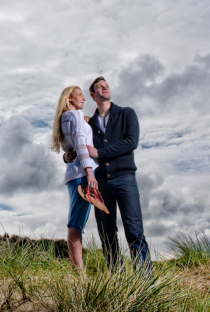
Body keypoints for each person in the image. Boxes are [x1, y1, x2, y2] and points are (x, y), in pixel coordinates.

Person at [65, 76, 152, 270]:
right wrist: (66, 156)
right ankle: (116, 278)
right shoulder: (88, 123)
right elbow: (76, 144)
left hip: (125, 178)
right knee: (107, 233)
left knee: (134, 230)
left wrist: (100, 153)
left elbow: (132, 142)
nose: (105, 88)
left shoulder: (127, 114)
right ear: (93, 95)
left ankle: (145, 282)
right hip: (101, 182)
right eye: (100, 87)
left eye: (107, 86)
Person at [51, 86, 99, 270]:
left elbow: (68, 149)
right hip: (82, 173)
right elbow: (80, 143)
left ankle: (77, 269)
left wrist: (86, 122)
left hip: (73, 174)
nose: (84, 99)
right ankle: (79, 271)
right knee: (77, 222)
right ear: (69, 98)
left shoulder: (65, 118)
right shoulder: (75, 116)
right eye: (79, 94)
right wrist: (89, 171)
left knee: (77, 220)